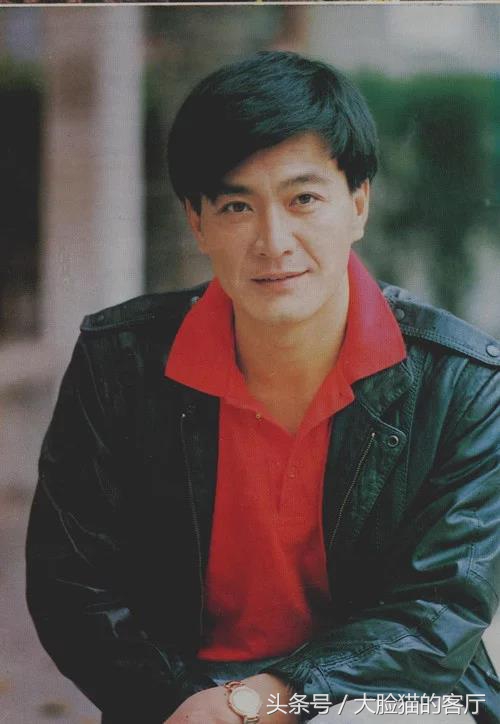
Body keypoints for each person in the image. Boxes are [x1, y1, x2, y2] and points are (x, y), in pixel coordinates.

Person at [26, 51, 499, 724]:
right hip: (186, 701)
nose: (274, 241)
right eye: (237, 206)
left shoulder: (462, 383)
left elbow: (438, 608)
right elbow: (74, 584)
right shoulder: (119, 363)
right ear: (198, 223)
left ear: (357, 205)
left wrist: (262, 700)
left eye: (304, 199)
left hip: (374, 700)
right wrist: (185, 706)